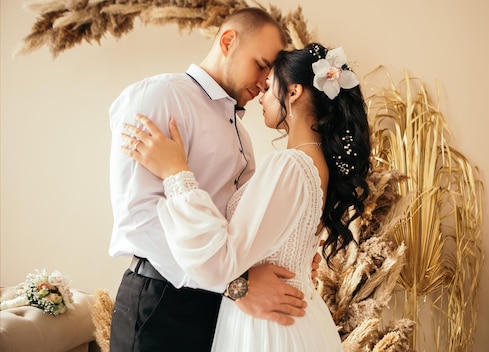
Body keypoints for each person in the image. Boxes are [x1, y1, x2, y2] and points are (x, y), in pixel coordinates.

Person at [121, 42, 372, 351]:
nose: (261, 97)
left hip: (268, 327)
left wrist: (176, 173)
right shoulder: (315, 165)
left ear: (293, 93)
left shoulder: (289, 165)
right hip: (290, 315)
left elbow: (220, 261)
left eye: (269, 87)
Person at [108, 8, 312, 352]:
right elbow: (139, 218)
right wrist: (235, 285)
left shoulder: (243, 137)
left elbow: (240, 226)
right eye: (261, 65)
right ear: (228, 41)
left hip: (220, 311)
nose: (265, 81)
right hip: (161, 303)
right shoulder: (158, 97)